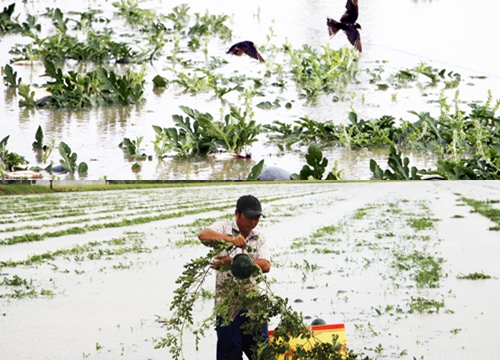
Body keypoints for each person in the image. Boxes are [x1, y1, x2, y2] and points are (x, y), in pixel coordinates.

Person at [198, 194, 271, 360]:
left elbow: (265, 265)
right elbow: (203, 235)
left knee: (262, 353)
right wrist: (231, 240)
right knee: (230, 354)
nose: (253, 222)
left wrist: (233, 262)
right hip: (227, 307)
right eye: (249, 217)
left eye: (257, 218)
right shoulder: (223, 228)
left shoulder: (259, 237)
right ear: (237, 213)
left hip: (253, 305)